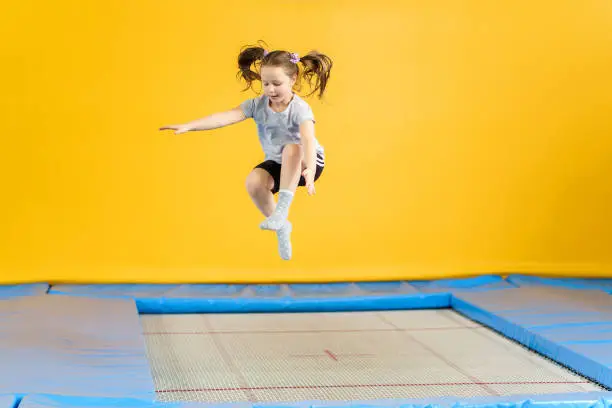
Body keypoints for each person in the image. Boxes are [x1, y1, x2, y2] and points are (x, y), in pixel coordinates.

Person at [160, 43, 333, 260]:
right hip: (279, 163)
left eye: (276, 83)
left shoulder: (300, 108)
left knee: (292, 147)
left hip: (308, 161)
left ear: (293, 79)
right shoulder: (257, 105)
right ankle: (282, 227)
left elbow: (307, 139)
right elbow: (224, 117)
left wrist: (309, 170)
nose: (270, 89)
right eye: (266, 83)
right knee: (253, 182)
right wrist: (190, 125)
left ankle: (282, 210)